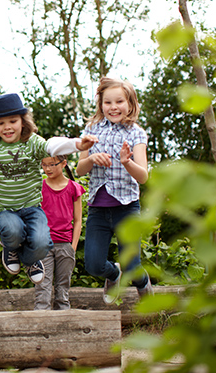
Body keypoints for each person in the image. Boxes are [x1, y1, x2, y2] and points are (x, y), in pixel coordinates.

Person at [0, 93, 97, 284]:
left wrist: (77, 144)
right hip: (4, 209)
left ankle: (30, 261)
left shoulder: (32, 142)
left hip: (32, 208)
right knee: (13, 230)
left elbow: (51, 146)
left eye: (12, 121)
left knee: (41, 243)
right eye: (1, 123)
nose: (7, 127)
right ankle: (10, 247)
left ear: (23, 121)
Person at [75, 77, 153, 304]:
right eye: (107, 102)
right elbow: (80, 170)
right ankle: (113, 275)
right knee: (93, 265)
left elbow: (143, 176)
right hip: (98, 209)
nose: (113, 107)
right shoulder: (91, 130)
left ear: (130, 103)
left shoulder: (136, 133)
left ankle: (142, 281)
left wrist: (127, 162)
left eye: (119, 101)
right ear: (101, 104)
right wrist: (91, 159)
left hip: (127, 208)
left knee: (132, 266)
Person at [34, 155, 85, 310]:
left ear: (63, 164)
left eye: (52, 164)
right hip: (43, 246)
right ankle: (39, 327)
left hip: (65, 245)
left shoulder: (74, 188)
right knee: (42, 289)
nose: (47, 169)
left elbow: (78, 221)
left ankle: (63, 327)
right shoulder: (38, 187)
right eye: (44, 165)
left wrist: (73, 247)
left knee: (62, 291)